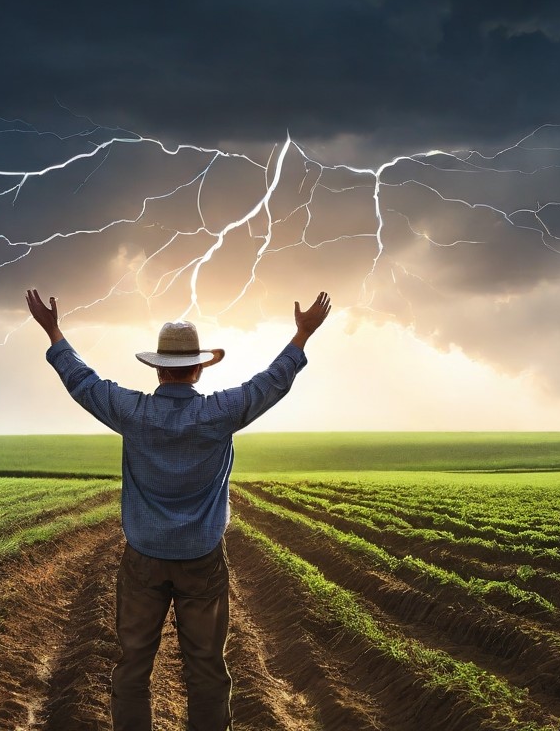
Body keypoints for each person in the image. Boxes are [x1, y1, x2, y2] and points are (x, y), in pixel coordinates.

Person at [25, 288, 331, 731]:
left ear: (158, 369)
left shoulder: (133, 412)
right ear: (199, 369)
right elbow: (271, 382)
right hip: (202, 561)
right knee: (206, 670)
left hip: (144, 560)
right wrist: (302, 336)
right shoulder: (219, 412)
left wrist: (53, 330)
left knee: (132, 668)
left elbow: (83, 382)